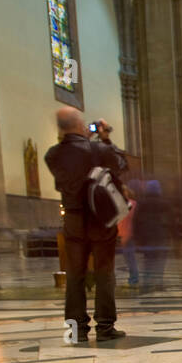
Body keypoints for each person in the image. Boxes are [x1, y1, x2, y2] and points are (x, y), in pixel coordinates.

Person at [44, 108, 126, 342]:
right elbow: (121, 164)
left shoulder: (53, 155)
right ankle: (105, 327)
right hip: (100, 218)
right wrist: (105, 138)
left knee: (75, 274)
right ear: (81, 126)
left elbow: (69, 166)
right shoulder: (99, 149)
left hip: (73, 219)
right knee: (104, 272)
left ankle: (76, 329)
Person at [134, 180, 170, 292]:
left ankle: (146, 283)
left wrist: (137, 236)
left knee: (148, 259)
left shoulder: (141, 203)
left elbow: (136, 220)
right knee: (160, 260)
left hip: (146, 235)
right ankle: (159, 283)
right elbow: (170, 220)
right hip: (160, 234)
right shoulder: (164, 203)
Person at [117, 186, 139, 286]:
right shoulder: (125, 204)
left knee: (129, 258)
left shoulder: (129, 204)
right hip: (121, 233)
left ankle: (134, 279)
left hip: (125, 234)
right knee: (129, 258)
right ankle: (133, 278)